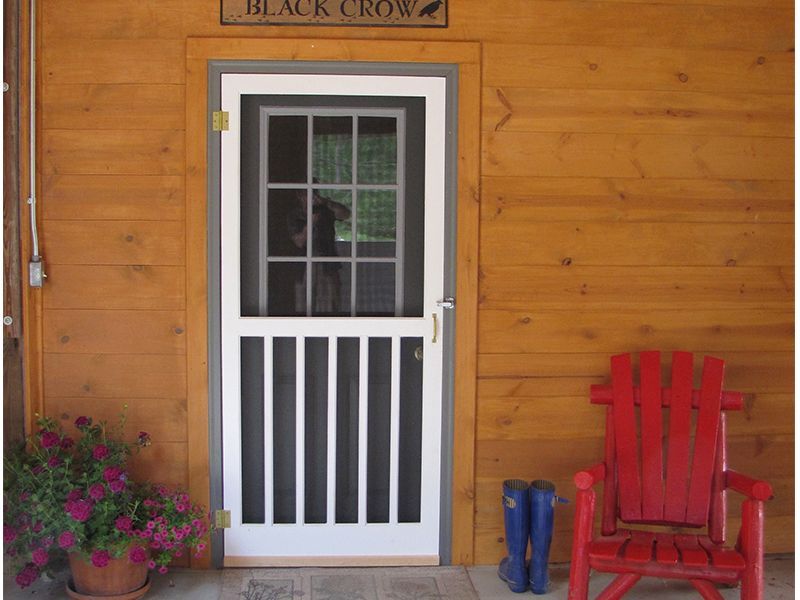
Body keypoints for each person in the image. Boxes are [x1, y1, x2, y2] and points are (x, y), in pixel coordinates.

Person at [287, 189, 351, 314]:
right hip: (304, 266)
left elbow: (345, 214)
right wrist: (310, 223)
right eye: (307, 193)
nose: (311, 197)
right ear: (300, 196)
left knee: (330, 305)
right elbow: (299, 241)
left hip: (327, 263)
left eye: (314, 192)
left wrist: (327, 203)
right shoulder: (295, 214)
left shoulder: (325, 210)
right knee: (304, 306)